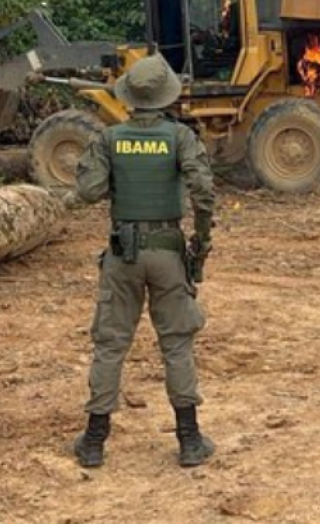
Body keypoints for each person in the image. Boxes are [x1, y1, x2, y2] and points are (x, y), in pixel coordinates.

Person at [71, 53, 216, 468]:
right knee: (177, 344)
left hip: (123, 254)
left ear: (130, 96)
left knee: (111, 344)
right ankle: (189, 440)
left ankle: (94, 442)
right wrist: (201, 240)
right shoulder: (180, 137)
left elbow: (89, 191)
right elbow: (204, 192)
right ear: (166, 96)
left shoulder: (109, 138)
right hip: (168, 252)